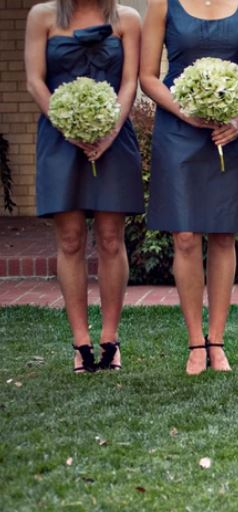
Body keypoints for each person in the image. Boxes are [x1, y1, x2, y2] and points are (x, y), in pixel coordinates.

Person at [141, 0, 238, 374]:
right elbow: (147, 76)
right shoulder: (162, 4)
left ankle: (217, 340)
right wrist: (185, 110)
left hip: (229, 132)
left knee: (224, 235)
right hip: (179, 131)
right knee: (184, 236)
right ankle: (195, 341)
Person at [25, 0, 144, 373]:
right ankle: (81, 343)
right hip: (59, 138)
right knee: (71, 239)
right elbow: (34, 81)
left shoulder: (127, 18)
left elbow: (129, 83)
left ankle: (110, 339)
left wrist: (109, 132)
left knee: (111, 238)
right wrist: (68, 126)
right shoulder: (41, 16)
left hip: (114, 137)